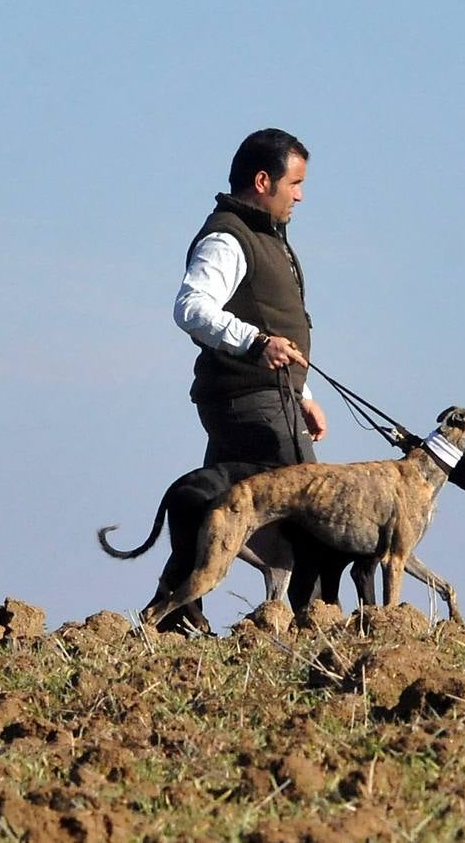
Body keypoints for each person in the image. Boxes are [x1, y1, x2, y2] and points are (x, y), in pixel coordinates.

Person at [171, 128, 330, 613]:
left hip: (260, 396)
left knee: (216, 506)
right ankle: (314, 623)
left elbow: (273, 321)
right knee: (312, 511)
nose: (300, 195)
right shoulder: (228, 236)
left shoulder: (265, 237)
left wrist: (302, 395)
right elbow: (191, 306)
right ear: (264, 181)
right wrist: (256, 342)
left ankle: (175, 612)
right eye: (295, 183)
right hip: (251, 400)